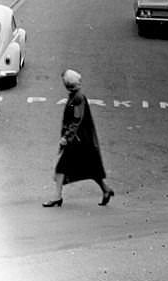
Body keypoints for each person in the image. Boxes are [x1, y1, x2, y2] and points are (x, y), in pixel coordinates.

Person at [42, 70, 114, 208]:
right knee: (91, 168)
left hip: (77, 141)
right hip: (81, 140)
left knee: (60, 167)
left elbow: (76, 120)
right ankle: (105, 190)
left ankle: (57, 197)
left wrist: (66, 137)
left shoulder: (78, 98)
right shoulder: (76, 96)